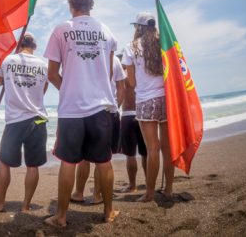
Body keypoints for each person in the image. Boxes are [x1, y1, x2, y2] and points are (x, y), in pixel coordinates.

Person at [43, 0, 119, 227]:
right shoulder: (106, 31)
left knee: (68, 162)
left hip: (72, 108)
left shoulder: (61, 30)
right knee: (104, 161)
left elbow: (52, 73)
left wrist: (70, 87)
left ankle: (61, 216)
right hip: (101, 106)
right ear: (91, 4)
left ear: (70, 4)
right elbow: (108, 73)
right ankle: (108, 212)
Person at [0, 32, 48, 213]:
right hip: (38, 118)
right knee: (33, 165)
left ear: (18, 44)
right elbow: (43, 89)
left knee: (4, 163)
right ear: (34, 46)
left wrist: (11, 80)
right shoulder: (43, 65)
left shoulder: (8, 60)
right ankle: (26, 206)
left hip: (15, 120)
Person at [123, 12, 173, 202]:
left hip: (145, 100)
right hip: (166, 99)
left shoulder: (131, 47)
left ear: (139, 27)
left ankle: (150, 192)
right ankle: (168, 189)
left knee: (153, 149)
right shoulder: (163, 44)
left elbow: (132, 82)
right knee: (167, 148)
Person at [70, 53, 124, 205]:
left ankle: (79, 193)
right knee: (103, 158)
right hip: (107, 111)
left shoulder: (83, 58)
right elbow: (122, 88)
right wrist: (115, 107)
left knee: (84, 158)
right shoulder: (114, 60)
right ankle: (96, 196)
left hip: (85, 110)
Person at [117, 53, 148, 193]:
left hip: (128, 116)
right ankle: (149, 182)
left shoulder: (121, 76)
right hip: (143, 114)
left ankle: (133, 185)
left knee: (130, 155)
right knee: (146, 153)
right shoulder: (140, 74)